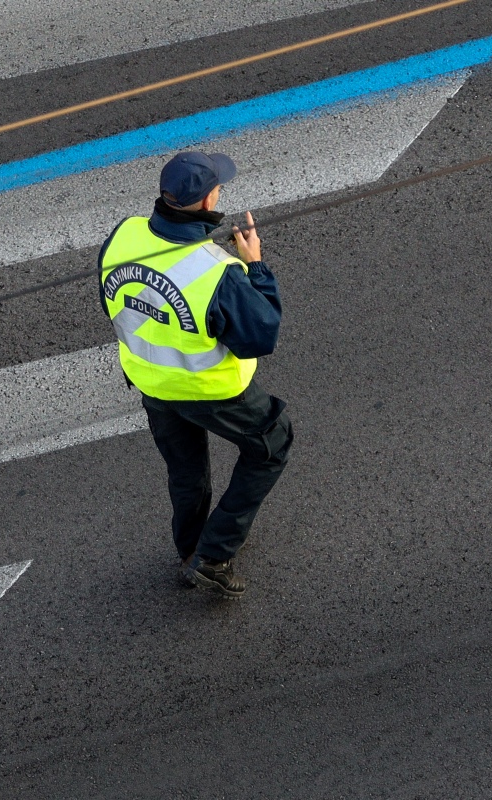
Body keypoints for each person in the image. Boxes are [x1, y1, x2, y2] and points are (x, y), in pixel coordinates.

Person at [98, 150, 294, 599]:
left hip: (150, 382)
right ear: (208, 203)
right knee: (272, 445)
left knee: (186, 473)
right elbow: (260, 335)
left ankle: (190, 550)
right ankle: (215, 554)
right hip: (211, 390)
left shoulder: (123, 235)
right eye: (217, 188)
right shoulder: (217, 270)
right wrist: (255, 267)